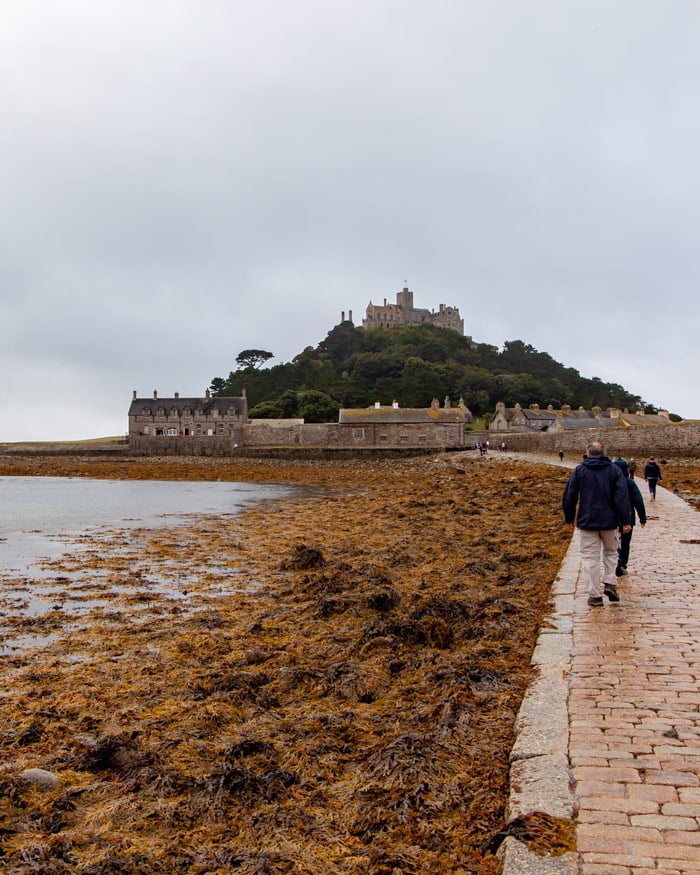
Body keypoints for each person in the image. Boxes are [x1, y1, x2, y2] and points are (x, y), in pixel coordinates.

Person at [562, 441, 632, 607]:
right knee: (611, 553)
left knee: (589, 558)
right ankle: (609, 582)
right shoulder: (614, 470)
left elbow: (570, 494)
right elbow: (621, 497)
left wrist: (569, 517)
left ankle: (594, 595)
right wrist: (625, 521)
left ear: (588, 453)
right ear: (604, 453)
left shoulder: (580, 470)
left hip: (588, 521)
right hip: (610, 521)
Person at [613, 458, 647, 576]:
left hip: (613, 518)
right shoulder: (630, 483)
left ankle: (617, 558)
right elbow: (638, 501)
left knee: (614, 541)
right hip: (628, 517)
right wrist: (642, 517)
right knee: (626, 543)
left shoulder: (610, 482)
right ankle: (622, 563)